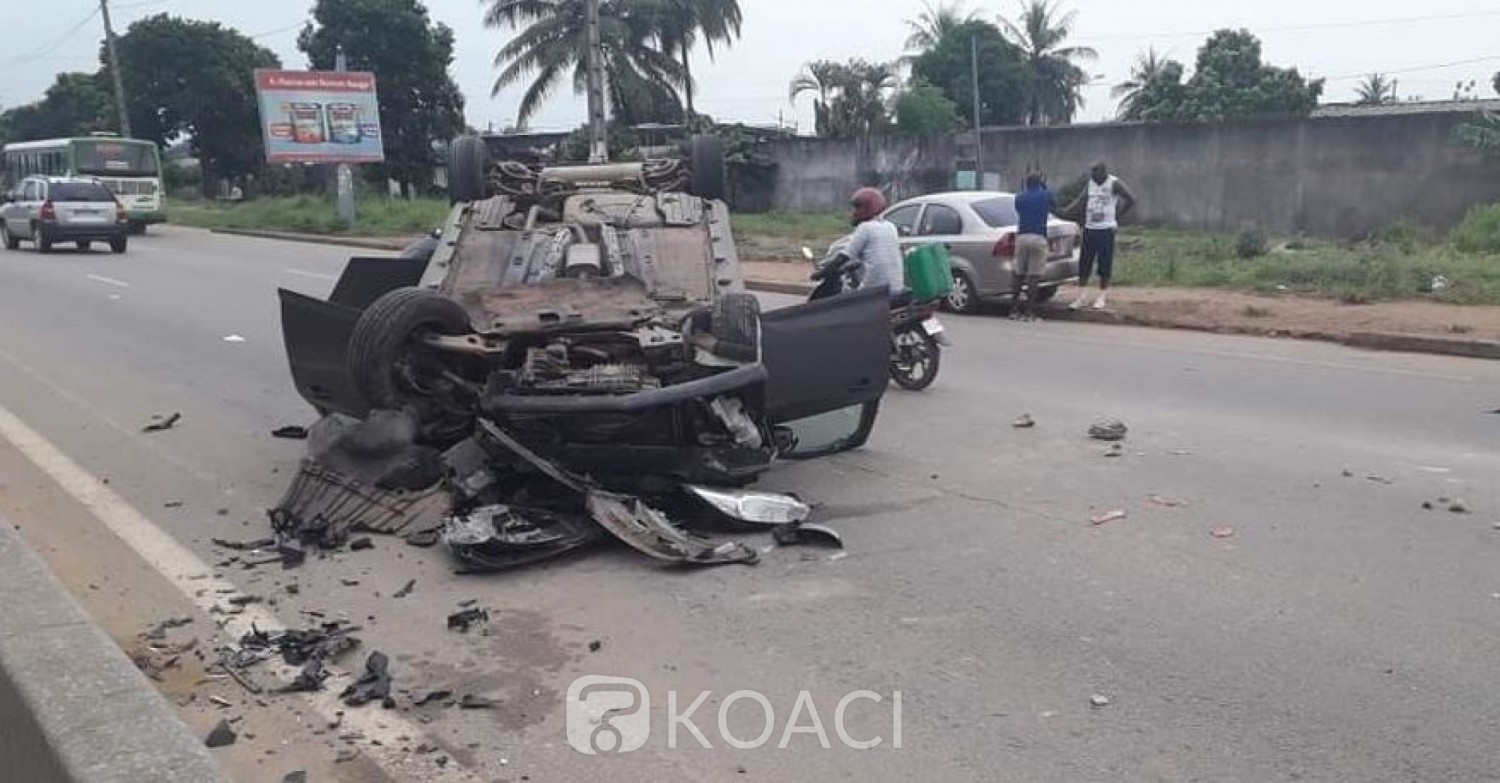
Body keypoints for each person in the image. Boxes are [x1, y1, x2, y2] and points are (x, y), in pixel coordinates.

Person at [1062, 163, 1137, 310]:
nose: (1092, 175)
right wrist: (1064, 211)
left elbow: (1131, 199)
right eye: (1091, 172)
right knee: (1084, 263)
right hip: (1090, 229)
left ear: (1103, 172)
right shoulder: (1090, 183)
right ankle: (1081, 297)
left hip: (1106, 230)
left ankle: (1102, 297)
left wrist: (1118, 216)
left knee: (1104, 264)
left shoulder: (1114, 183)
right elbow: (1081, 201)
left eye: (1095, 172)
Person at [835, 187, 907, 301]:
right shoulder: (890, 226)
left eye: (857, 207)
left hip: (875, 290)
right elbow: (878, 254)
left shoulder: (865, 228)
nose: (854, 212)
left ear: (867, 208)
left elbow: (843, 257)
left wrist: (821, 273)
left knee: (847, 305)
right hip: (897, 288)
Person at [1011, 172, 1053, 321]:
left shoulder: (1019, 198)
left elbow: (1019, 210)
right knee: (1033, 277)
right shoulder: (1046, 195)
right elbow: (1053, 203)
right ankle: (1029, 312)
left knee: (1018, 274)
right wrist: (1043, 185)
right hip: (1038, 237)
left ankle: (1014, 310)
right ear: (1039, 183)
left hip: (1022, 237)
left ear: (1026, 184)